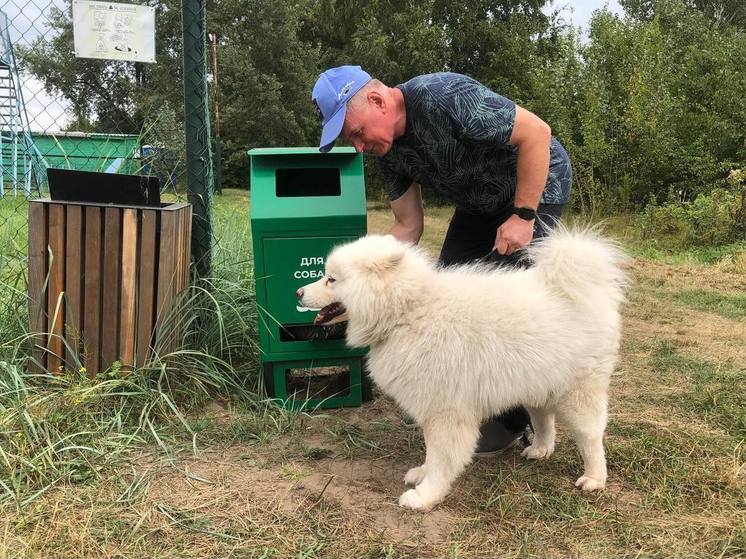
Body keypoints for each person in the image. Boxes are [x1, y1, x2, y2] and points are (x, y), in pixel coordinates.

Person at [311, 65, 572, 455]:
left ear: (378, 101)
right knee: (448, 292)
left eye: (356, 133)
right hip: (477, 204)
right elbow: (407, 227)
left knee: (509, 302)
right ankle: (461, 398)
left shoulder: (443, 96)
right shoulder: (389, 154)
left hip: (534, 186)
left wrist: (523, 216)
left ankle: (514, 419)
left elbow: (537, 133)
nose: (358, 147)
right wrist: (360, 274)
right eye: (351, 141)